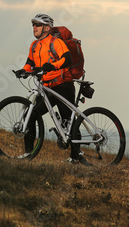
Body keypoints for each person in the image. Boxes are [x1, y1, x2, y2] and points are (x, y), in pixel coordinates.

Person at [15, 13, 79, 163]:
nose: (34, 27)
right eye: (33, 25)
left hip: (63, 86)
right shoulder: (34, 45)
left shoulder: (56, 42)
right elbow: (29, 63)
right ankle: (28, 154)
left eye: (37, 25)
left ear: (46, 27)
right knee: (30, 116)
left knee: (68, 122)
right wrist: (23, 71)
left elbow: (67, 59)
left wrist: (53, 66)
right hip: (46, 89)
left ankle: (76, 158)